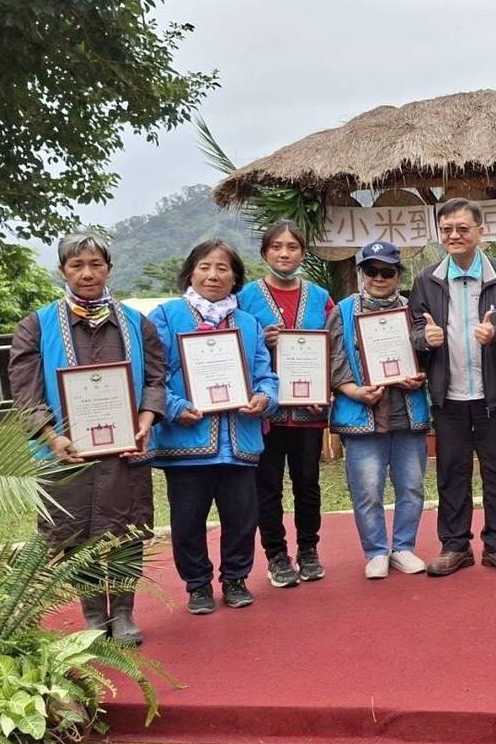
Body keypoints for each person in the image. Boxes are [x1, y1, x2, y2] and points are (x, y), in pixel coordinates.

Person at [8, 230, 166, 645]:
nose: (87, 273)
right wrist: (51, 436)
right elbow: (25, 389)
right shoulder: (36, 326)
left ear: (109, 268)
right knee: (76, 533)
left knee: (129, 528)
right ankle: (95, 615)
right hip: (67, 453)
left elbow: (156, 378)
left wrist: (147, 418)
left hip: (126, 449)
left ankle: (126, 613)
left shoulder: (135, 323)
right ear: (63, 270)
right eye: (77, 265)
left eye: (96, 264)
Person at [149, 240, 279, 614]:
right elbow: (152, 374)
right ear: (190, 271)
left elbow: (265, 374)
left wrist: (264, 399)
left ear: (235, 277)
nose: (213, 275)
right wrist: (174, 406)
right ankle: (197, 585)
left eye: (223, 268)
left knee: (241, 516)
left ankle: (235, 579)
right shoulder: (166, 316)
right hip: (186, 440)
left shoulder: (248, 323)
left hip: (239, 439)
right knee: (187, 518)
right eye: (205, 266)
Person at [408, 198, 496, 576]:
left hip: (492, 394)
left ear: (480, 231)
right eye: (447, 229)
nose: (454, 235)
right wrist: (422, 338)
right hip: (449, 396)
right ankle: (455, 545)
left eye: (463, 228)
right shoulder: (426, 280)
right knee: (451, 472)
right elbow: (411, 330)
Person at [237, 220, 334, 588]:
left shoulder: (319, 296)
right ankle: (276, 556)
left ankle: (308, 550)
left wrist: (324, 389)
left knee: (308, 483)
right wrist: (260, 339)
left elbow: (332, 346)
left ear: (302, 253)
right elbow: (232, 347)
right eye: (276, 246)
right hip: (266, 412)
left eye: (292, 247)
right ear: (265, 253)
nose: (284, 253)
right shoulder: (245, 297)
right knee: (268, 485)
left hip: (308, 410)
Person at [329, 241, 431, 579]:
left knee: (412, 486)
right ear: (361, 273)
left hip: (408, 411)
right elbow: (334, 359)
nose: (379, 277)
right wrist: (354, 391)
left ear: (398, 275)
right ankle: (375, 551)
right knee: (367, 489)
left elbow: (430, 354)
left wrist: (421, 375)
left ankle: (404, 546)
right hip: (362, 413)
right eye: (371, 271)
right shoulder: (343, 310)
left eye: (387, 271)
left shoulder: (413, 308)